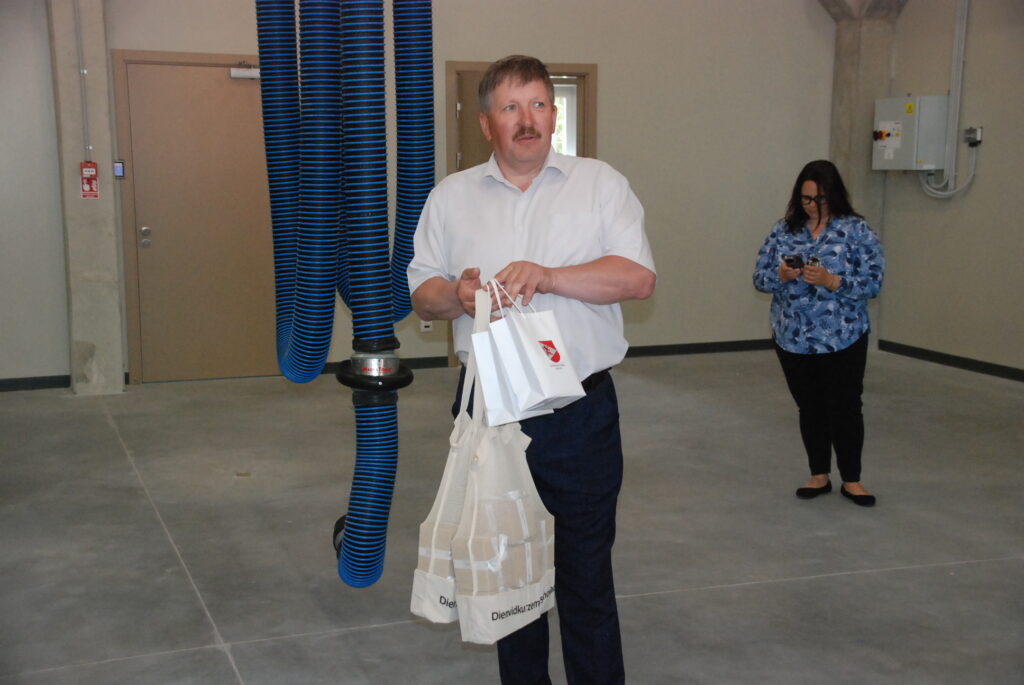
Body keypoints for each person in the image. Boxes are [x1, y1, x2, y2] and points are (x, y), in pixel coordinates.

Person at [408, 55, 656, 684]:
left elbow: (637, 278)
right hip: (490, 414)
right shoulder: (451, 197)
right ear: (486, 123)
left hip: (579, 415)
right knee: (507, 580)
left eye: (540, 105)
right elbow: (423, 295)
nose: (528, 119)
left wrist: (549, 277)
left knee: (586, 578)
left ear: (553, 115)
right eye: (511, 107)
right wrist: (457, 294)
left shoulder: (599, 185)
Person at [753, 159, 885, 507]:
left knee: (845, 407)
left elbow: (873, 283)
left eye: (820, 199)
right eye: (807, 198)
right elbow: (759, 279)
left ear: (835, 195)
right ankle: (819, 475)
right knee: (809, 407)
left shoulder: (857, 231)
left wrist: (832, 280)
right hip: (793, 337)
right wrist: (782, 275)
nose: (813, 205)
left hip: (843, 337)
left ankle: (852, 479)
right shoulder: (783, 231)